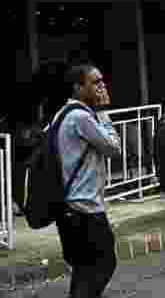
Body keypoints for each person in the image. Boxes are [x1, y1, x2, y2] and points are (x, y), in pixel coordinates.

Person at [52, 64, 122, 298]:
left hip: (70, 209)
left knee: (84, 270)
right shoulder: (81, 117)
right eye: (95, 82)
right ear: (78, 88)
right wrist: (103, 112)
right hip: (86, 209)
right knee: (104, 263)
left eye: (102, 81)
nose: (102, 86)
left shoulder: (62, 114)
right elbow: (114, 148)